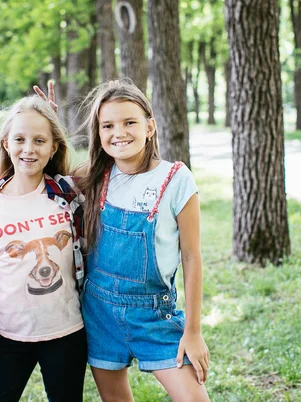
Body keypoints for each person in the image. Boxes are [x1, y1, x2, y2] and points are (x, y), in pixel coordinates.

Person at [77, 79, 210, 402]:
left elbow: (191, 257)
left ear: (150, 127)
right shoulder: (95, 176)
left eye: (129, 122)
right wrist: (50, 126)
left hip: (153, 315)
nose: (118, 132)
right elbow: (46, 172)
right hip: (99, 313)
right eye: (107, 125)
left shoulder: (177, 179)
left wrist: (193, 331)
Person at [0, 95, 87, 402]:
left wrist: (48, 118)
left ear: (54, 147)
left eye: (40, 141)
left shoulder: (67, 194)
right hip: (8, 338)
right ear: (6, 143)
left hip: (66, 333)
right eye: (20, 139)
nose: (29, 149)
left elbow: (107, 156)